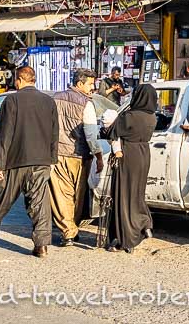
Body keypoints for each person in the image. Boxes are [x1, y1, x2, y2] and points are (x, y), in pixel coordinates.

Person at [0, 66, 57, 258]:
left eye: (15, 80)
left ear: (19, 80)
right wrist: (51, 159)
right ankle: (41, 245)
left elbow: (5, 134)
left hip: (16, 160)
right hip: (41, 160)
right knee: (39, 203)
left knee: (1, 199)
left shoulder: (12, 100)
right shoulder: (48, 101)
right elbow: (54, 133)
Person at [50, 68, 104, 247]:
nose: (92, 88)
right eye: (90, 84)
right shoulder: (86, 103)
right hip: (79, 155)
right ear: (80, 84)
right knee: (77, 194)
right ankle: (71, 230)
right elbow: (90, 134)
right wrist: (98, 155)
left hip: (57, 154)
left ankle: (68, 230)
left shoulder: (55, 98)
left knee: (61, 195)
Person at [105, 82, 157, 253]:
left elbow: (111, 132)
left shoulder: (129, 116)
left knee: (123, 196)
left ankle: (126, 239)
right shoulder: (152, 117)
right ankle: (143, 224)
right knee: (137, 194)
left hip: (128, 156)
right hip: (143, 154)